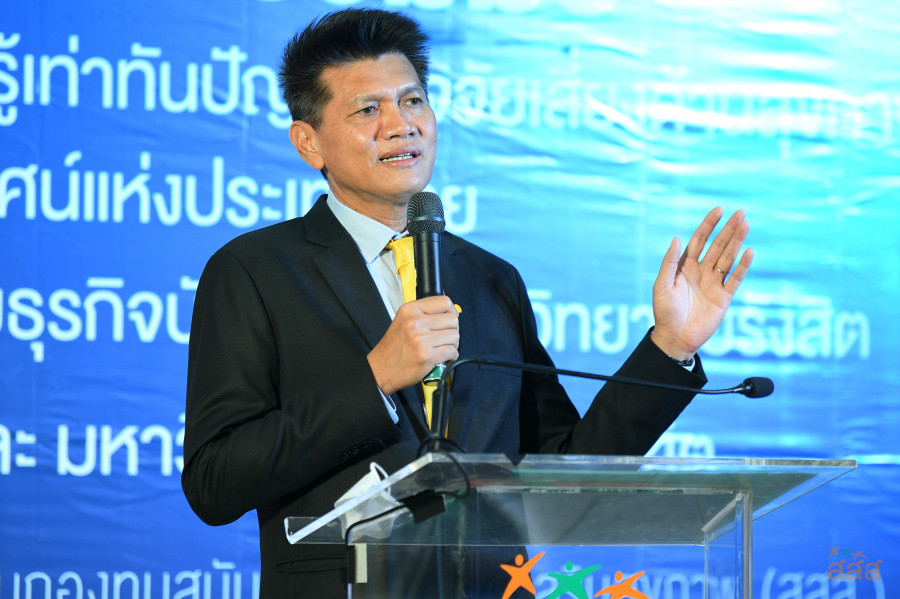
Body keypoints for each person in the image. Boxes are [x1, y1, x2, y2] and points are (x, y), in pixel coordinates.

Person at [181, 8, 753, 598]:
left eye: (413, 101)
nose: (400, 125)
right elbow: (214, 482)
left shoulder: (490, 279)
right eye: (367, 110)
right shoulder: (256, 271)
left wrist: (669, 347)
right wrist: (375, 380)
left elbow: (565, 471)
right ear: (309, 142)